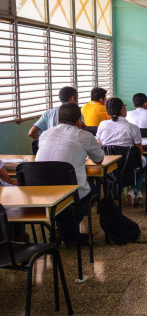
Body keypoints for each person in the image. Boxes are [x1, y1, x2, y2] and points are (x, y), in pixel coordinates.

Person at [36, 103, 104, 246]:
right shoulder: (84, 136)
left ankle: (68, 232)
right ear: (79, 120)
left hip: (40, 189)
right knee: (93, 192)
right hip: (69, 188)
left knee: (65, 198)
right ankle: (65, 230)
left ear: (59, 119)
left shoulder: (45, 134)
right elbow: (99, 160)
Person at [97, 98, 147, 206]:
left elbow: (100, 144)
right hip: (128, 168)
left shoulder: (102, 125)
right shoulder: (133, 128)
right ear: (123, 109)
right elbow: (140, 151)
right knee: (146, 164)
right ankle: (134, 190)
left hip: (108, 169)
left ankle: (134, 192)